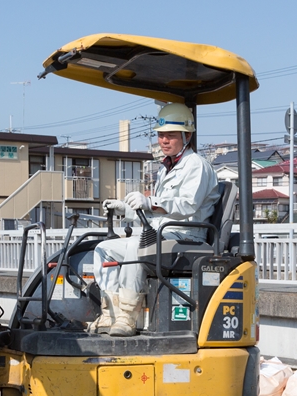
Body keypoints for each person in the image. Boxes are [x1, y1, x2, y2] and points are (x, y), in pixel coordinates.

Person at [91, 103, 219, 337]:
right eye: (161, 135)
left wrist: (149, 202)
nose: (164, 141)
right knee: (103, 249)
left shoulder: (197, 166)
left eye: (170, 135)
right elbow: (154, 212)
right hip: (164, 233)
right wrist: (126, 210)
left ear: (187, 135)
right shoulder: (166, 169)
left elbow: (187, 205)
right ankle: (110, 313)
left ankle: (127, 318)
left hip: (188, 236)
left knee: (135, 246)